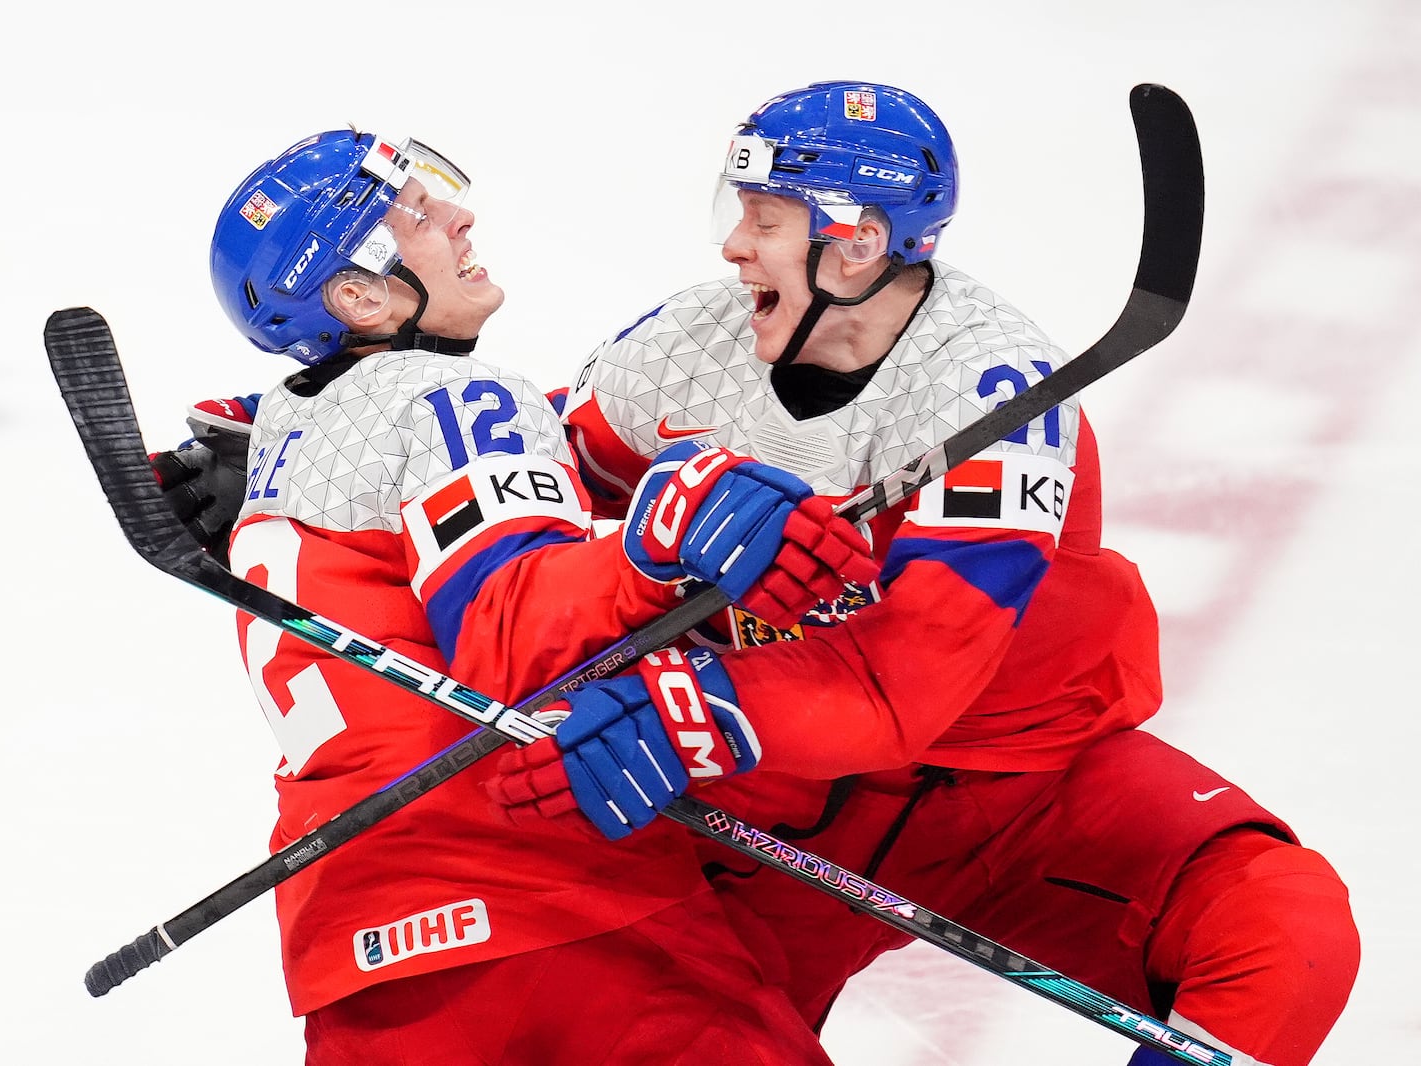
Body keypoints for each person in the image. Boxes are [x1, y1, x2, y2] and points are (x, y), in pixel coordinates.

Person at [485, 82, 1360, 1066]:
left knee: (1279, 921)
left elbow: (904, 682)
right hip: (778, 807)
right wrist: (335, 452)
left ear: (853, 240)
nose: (734, 246)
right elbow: (532, 510)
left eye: (764, 220)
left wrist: (684, 708)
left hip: (1014, 787)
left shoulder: (990, 387)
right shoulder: (686, 349)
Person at [191, 125, 877, 1064]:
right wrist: (656, 541)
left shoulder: (280, 438)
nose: (459, 216)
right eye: (417, 215)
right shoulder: (453, 400)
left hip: (358, 948)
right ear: (356, 295)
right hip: (550, 908)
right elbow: (511, 632)